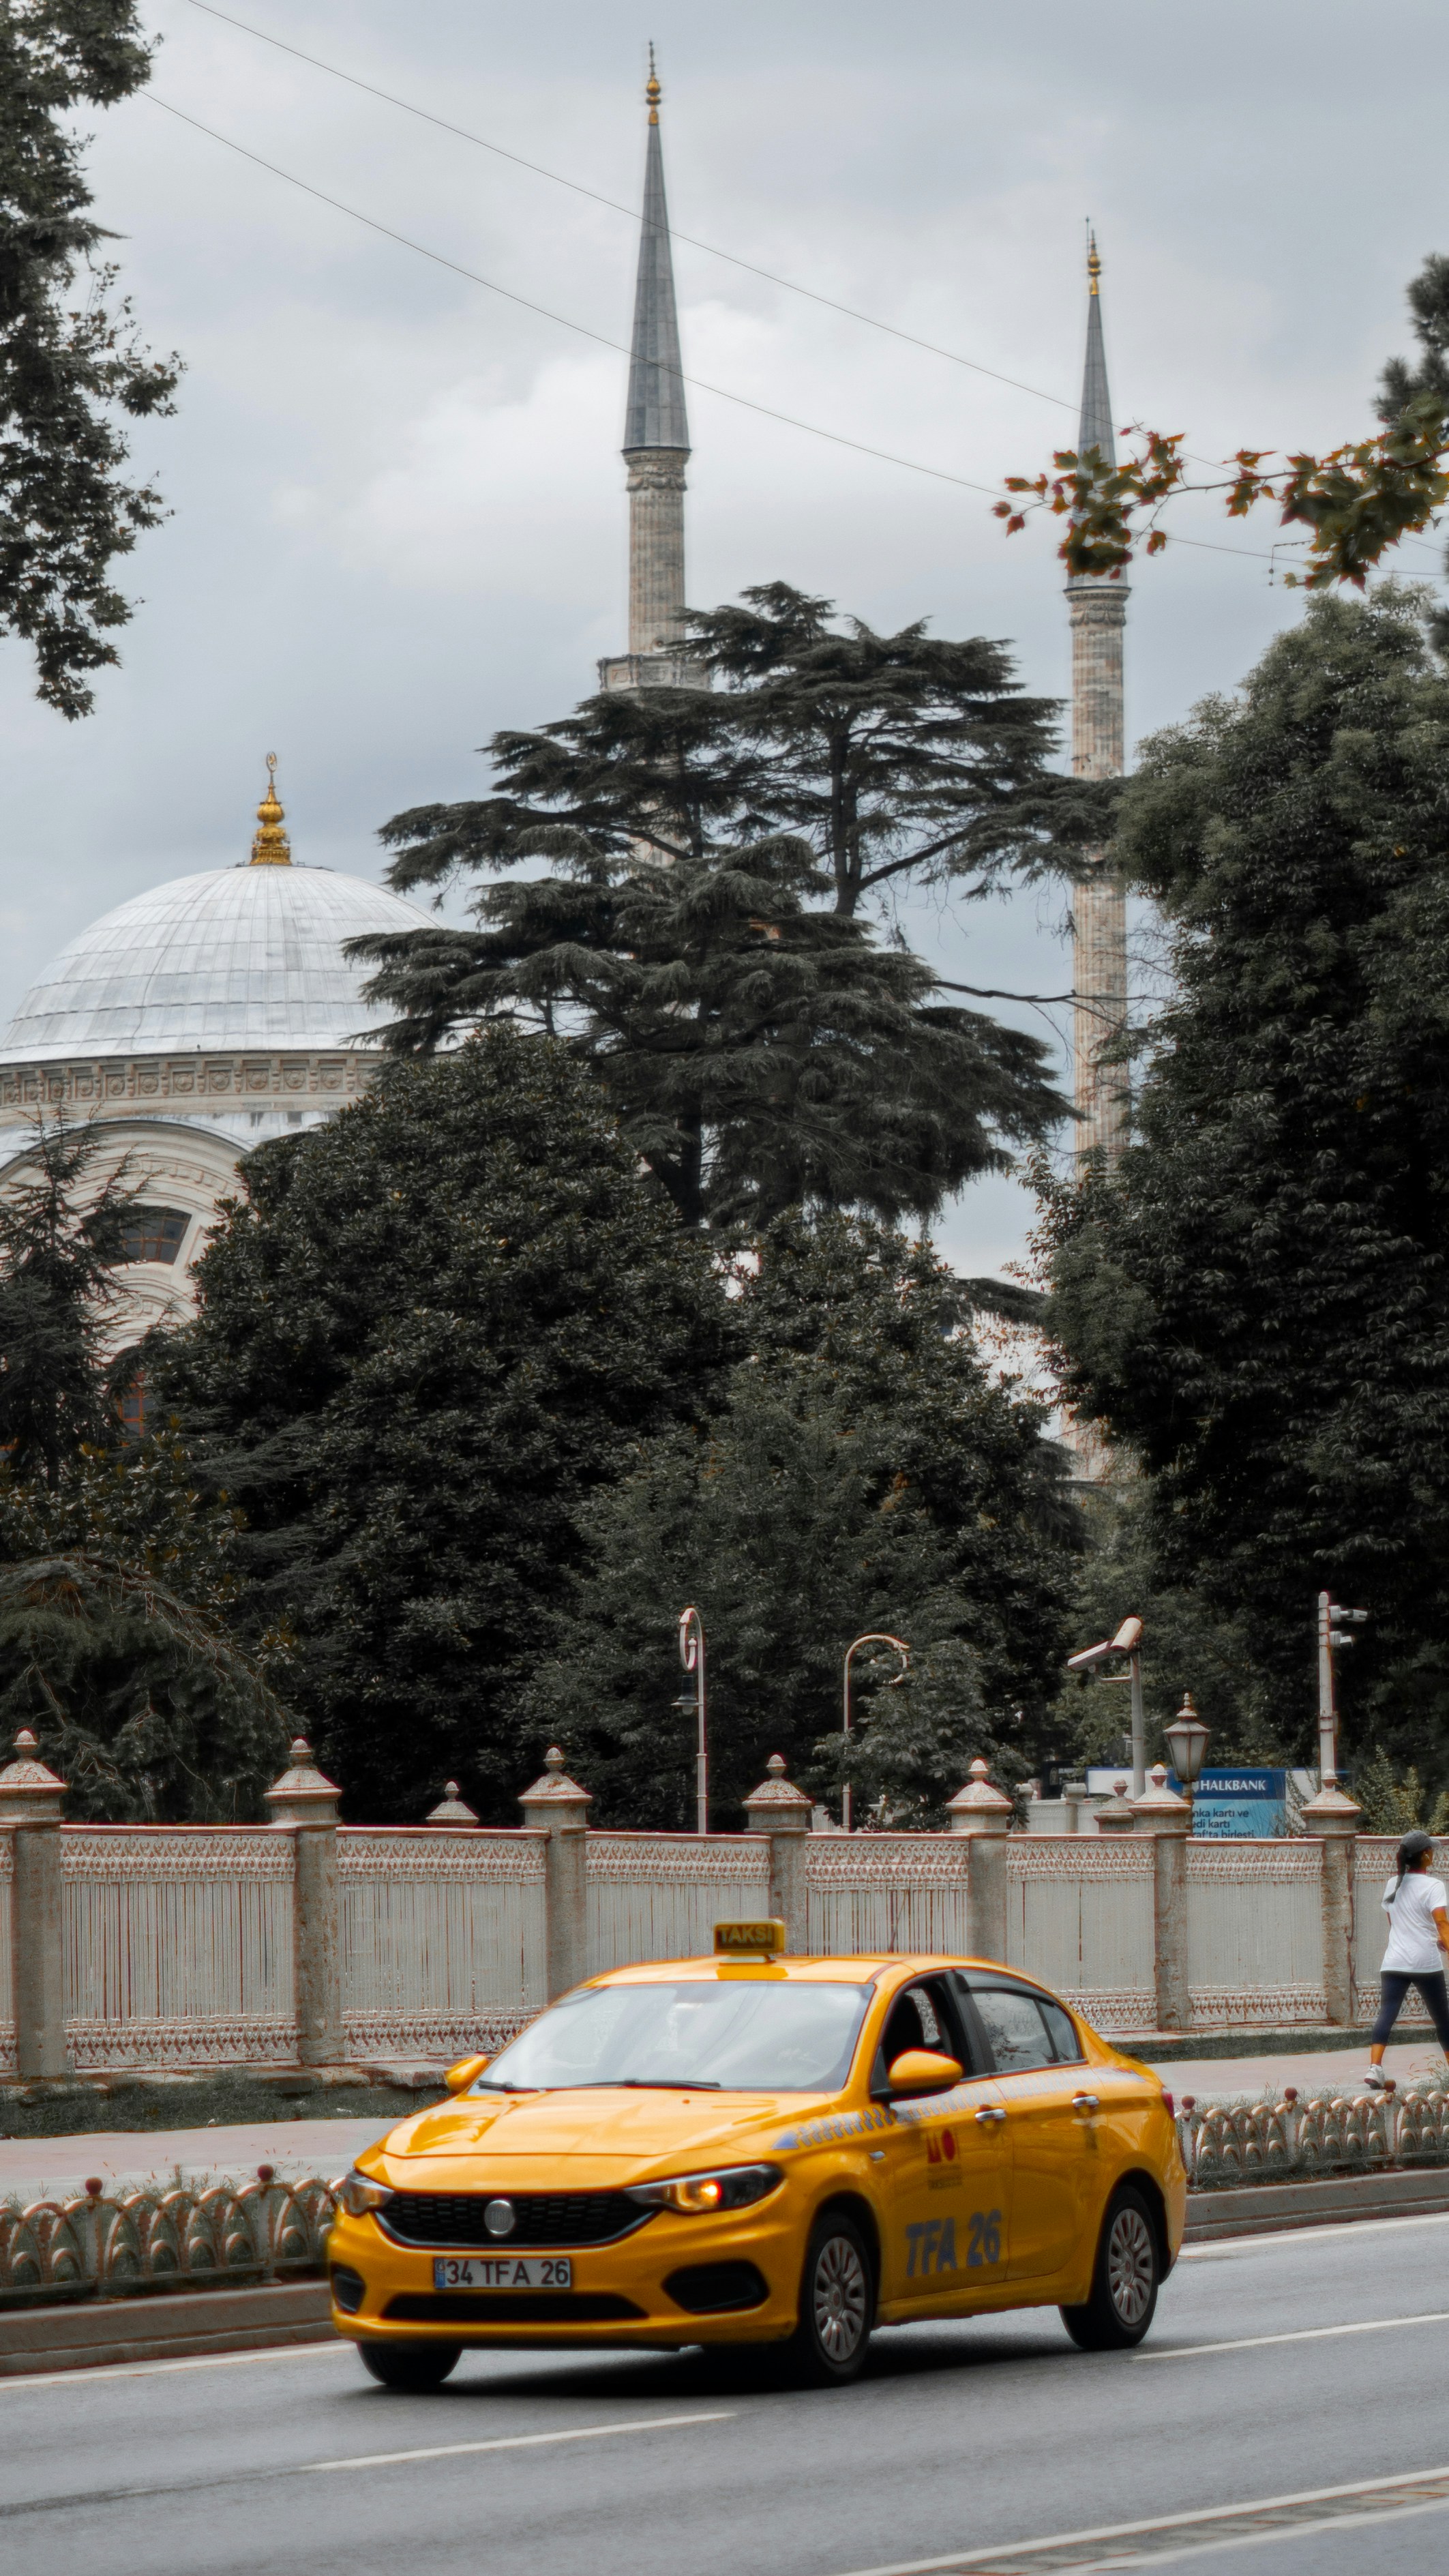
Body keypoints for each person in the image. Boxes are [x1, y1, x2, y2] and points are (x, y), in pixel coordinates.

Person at [1364, 1830, 1449, 2090]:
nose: (1433, 1853)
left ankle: (1375, 2068)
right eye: (1431, 1850)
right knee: (1443, 2019)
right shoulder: (1434, 1886)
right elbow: (1441, 1922)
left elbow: (1397, 1924)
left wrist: (1434, 1939)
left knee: (1387, 2014)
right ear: (1425, 1855)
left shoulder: (1393, 1884)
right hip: (1425, 1963)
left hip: (1394, 1961)